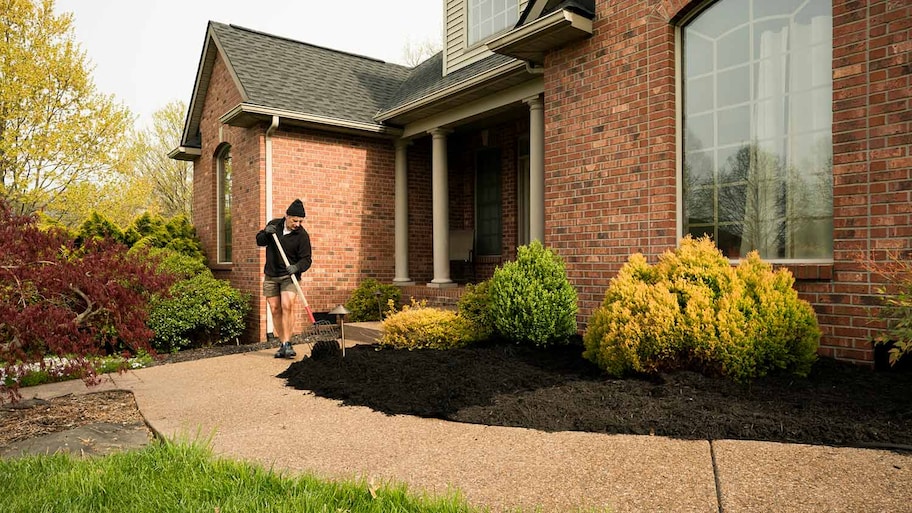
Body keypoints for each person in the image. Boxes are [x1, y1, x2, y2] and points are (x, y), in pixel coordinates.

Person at [256, 199, 313, 358]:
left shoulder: (302, 236)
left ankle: (288, 343)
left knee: (287, 305)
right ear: (287, 216)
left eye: (301, 221)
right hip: (271, 275)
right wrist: (265, 232)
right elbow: (260, 241)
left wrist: (296, 267)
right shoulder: (274, 225)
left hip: (290, 277)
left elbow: (306, 260)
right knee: (275, 309)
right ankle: (282, 344)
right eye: (295, 220)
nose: (298, 224)